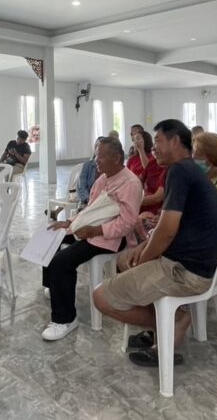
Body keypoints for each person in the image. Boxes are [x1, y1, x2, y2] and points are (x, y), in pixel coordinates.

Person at [92, 120, 217, 368]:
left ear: (175, 142)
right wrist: (142, 249)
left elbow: (166, 232)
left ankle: (173, 322)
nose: (153, 148)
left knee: (101, 298)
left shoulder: (179, 171)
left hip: (186, 272)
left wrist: (144, 260)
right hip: (187, 261)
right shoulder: (188, 170)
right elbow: (167, 225)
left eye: (157, 142)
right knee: (125, 260)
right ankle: (162, 326)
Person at [41, 138, 143, 341]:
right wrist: (68, 222)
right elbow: (90, 210)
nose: (96, 160)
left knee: (62, 260)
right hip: (91, 229)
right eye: (96, 154)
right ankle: (54, 285)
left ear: (116, 158)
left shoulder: (130, 183)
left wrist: (95, 230)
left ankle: (65, 319)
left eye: (101, 156)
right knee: (50, 238)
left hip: (111, 238)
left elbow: (127, 222)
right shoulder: (103, 178)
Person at [128, 127, 167, 216]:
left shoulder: (170, 169)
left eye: (158, 142)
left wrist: (132, 201)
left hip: (155, 209)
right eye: (155, 142)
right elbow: (138, 181)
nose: (154, 147)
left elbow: (157, 198)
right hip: (142, 201)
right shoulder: (153, 163)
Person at [76, 137, 108, 206]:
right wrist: (89, 199)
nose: (98, 150)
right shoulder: (87, 166)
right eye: (97, 147)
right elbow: (81, 186)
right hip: (88, 200)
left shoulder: (109, 166)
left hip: (103, 202)